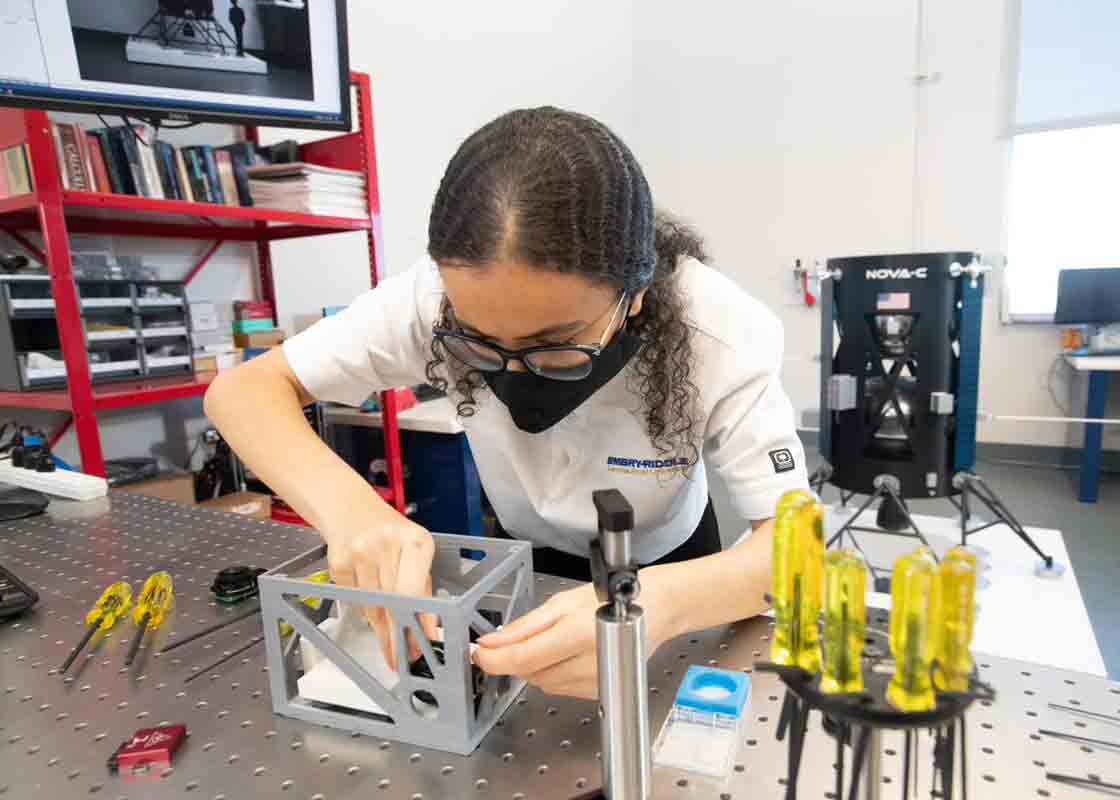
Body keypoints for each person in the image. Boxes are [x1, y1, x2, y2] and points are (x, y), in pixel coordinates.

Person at [205, 107, 808, 699]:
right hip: (531, 549)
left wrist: (659, 608)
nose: (517, 370)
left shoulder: (722, 333)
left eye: (555, 343)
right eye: (482, 341)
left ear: (637, 294)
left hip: (672, 564)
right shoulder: (432, 301)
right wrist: (356, 514)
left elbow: (796, 553)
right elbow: (242, 391)